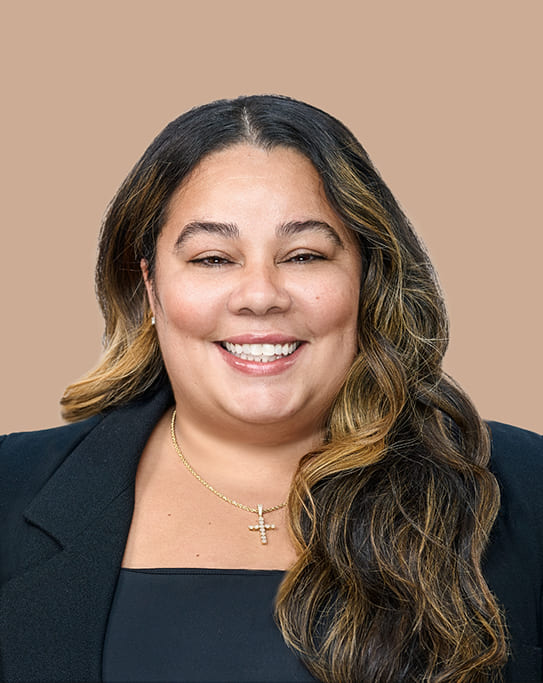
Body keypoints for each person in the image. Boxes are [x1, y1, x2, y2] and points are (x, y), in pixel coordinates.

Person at [0, 95, 541, 683]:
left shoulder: (524, 486)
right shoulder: (11, 486)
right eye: (212, 258)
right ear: (150, 285)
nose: (260, 295)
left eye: (305, 255)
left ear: (366, 275)